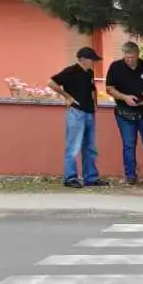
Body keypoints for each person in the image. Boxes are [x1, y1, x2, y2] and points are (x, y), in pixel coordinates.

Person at [105, 40, 143, 186]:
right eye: (127, 57)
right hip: (124, 114)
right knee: (129, 145)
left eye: (132, 57)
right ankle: (130, 176)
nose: (130, 60)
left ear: (138, 54)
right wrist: (125, 97)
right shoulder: (116, 67)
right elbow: (109, 88)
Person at [50, 47, 102, 188]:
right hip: (76, 112)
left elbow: (92, 89)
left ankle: (90, 177)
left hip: (89, 112)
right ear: (82, 59)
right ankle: (70, 177)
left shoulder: (89, 72)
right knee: (73, 147)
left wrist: (95, 104)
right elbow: (52, 83)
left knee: (90, 147)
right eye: (92, 60)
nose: (94, 63)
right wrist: (67, 97)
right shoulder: (70, 71)